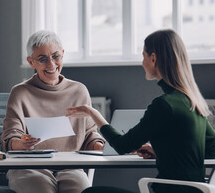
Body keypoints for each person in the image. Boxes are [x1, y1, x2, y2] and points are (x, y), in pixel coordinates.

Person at [67, 29, 215, 193]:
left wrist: (93, 114)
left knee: (91, 192)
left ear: (153, 58)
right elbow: (211, 150)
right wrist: (160, 152)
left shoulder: (164, 106)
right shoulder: (194, 103)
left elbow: (122, 145)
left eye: (143, 55)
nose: (142, 62)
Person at [1, 30, 105, 193]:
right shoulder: (20, 92)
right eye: (42, 59)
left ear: (62, 55)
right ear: (31, 62)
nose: (51, 64)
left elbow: (89, 134)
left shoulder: (79, 90)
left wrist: (101, 145)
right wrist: (21, 144)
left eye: (56, 56)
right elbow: (10, 136)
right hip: (28, 167)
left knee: (81, 190)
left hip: (71, 167)